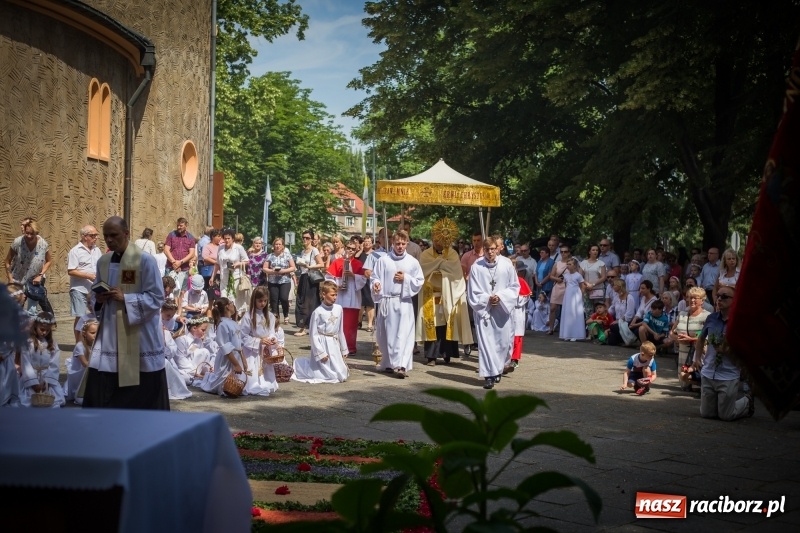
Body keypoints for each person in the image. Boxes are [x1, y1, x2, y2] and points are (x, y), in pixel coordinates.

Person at [83, 216, 168, 410]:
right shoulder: (103, 261)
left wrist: (127, 298)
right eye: (106, 236)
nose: (109, 240)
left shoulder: (145, 260)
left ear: (126, 234)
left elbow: (156, 297)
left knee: (139, 391)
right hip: (110, 334)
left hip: (138, 334)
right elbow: (94, 295)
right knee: (104, 384)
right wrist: (98, 299)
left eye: (114, 235)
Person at [416, 218, 473, 366]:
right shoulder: (426, 254)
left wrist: (439, 269)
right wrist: (441, 265)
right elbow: (423, 270)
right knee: (432, 325)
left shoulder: (452, 254)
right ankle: (431, 357)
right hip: (430, 294)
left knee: (447, 325)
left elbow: (455, 272)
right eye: (436, 239)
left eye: (442, 239)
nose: (439, 242)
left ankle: (447, 354)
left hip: (449, 294)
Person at [467, 237, 520, 389]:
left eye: (493, 249)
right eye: (487, 249)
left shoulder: (507, 264)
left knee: (502, 344)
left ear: (498, 249)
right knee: (486, 344)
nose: (490, 252)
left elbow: (514, 286)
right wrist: (487, 299)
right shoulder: (477, 266)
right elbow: (472, 291)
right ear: (483, 250)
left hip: (502, 311)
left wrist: (501, 297)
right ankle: (489, 375)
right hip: (485, 312)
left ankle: (497, 370)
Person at [371, 230, 424, 378]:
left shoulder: (412, 262)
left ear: (407, 243)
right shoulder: (383, 260)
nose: (400, 246)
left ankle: (401, 365)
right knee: (386, 335)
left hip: (403, 302)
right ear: (392, 243)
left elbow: (419, 280)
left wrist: (406, 278)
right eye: (397, 243)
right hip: (387, 301)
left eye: (402, 243)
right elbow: (375, 277)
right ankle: (388, 363)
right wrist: (376, 284)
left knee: (403, 335)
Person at [696, 286, 754, 420]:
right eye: (718, 296)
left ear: (734, 301)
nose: (719, 299)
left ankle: (746, 401)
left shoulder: (740, 322)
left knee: (726, 416)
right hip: (709, 372)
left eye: (724, 297)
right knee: (707, 414)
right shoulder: (711, 318)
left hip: (728, 374)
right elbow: (700, 339)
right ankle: (719, 404)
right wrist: (697, 358)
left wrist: (728, 350)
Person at [292, 281, 350, 383]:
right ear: (323, 294)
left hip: (334, 343)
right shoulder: (318, 312)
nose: (335, 297)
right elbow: (313, 334)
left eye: (336, 295)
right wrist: (320, 353)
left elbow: (340, 330)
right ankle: (299, 365)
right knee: (326, 375)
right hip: (323, 343)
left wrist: (344, 349)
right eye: (332, 295)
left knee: (341, 373)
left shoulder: (339, 309)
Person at [199, 298, 248, 397]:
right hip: (227, 358)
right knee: (223, 380)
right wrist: (236, 364)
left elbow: (239, 343)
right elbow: (226, 347)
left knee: (236, 379)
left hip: (236, 356)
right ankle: (217, 384)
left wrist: (243, 359)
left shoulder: (233, 322)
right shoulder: (222, 324)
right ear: (227, 306)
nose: (233, 305)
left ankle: (233, 388)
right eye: (232, 303)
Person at [326, 239, 366, 356]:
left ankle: (350, 347)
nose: (350, 251)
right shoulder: (337, 262)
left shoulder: (358, 264)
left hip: (353, 297)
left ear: (357, 250)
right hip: (339, 296)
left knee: (351, 324)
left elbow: (363, 279)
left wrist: (354, 276)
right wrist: (336, 286)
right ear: (345, 247)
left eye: (353, 249)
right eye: (349, 248)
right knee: (338, 323)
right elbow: (328, 278)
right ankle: (337, 346)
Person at [239, 287, 282, 396]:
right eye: (260, 301)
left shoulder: (270, 316)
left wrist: (272, 338)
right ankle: (254, 382)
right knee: (253, 376)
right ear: (254, 300)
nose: (262, 303)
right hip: (252, 351)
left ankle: (267, 381)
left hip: (265, 349)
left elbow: (272, 331)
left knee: (267, 372)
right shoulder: (248, 316)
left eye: (265, 301)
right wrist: (259, 341)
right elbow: (243, 336)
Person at [5, 219, 52, 314]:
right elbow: (7, 261)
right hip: (17, 279)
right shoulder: (18, 242)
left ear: (36, 233)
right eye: (27, 233)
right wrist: (10, 279)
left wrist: (41, 275)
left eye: (32, 234)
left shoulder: (43, 244)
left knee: (32, 311)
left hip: (33, 281)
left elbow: (49, 261)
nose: (29, 236)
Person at [18, 312, 65, 407]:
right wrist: (33, 383)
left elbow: (54, 365)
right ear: (35, 325)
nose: (44, 332)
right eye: (42, 329)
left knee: (55, 401)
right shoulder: (28, 343)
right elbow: (26, 363)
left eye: (47, 330)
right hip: (31, 377)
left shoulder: (53, 344)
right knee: (26, 401)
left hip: (46, 379)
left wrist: (46, 382)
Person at [67, 225, 102, 341]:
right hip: (79, 289)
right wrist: (88, 275)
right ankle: (78, 343)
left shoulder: (97, 250)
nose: (96, 238)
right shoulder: (75, 251)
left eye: (96, 235)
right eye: (93, 235)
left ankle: (92, 341)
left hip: (94, 289)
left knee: (95, 316)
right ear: (84, 237)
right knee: (81, 316)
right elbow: (71, 271)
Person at [671, 286, 711, 377]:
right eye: (690, 297)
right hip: (682, 352)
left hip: (698, 354)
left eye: (695, 298)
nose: (692, 300)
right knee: (683, 382)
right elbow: (671, 332)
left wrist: (691, 339)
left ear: (702, 301)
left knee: (694, 381)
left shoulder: (707, 316)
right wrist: (676, 338)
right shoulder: (682, 314)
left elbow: (708, 336)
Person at [211, 227, 250, 317]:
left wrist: (238, 264)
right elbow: (217, 263)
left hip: (235, 277)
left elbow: (247, 261)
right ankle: (225, 316)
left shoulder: (239, 248)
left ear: (233, 239)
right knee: (224, 298)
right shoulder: (220, 248)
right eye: (225, 238)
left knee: (234, 298)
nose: (227, 240)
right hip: (224, 277)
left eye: (229, 238)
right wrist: (212, 277)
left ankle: (235, 316)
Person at [294, 230, 325, 336]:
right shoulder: (303, 252)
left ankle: (308, 326)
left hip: (311, 278)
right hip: (303, 276)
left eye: (307, 238)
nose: (305, 240)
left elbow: (321, 264)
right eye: (303, 237)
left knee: (310, 302)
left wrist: (310, 266)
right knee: (301, 300)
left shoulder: (314, 250)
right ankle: (303, 325)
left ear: (311, 239)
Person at [64, 319, 98, 405]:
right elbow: (84, 363)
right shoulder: (80, 346)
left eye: (97, 333)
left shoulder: (96, 345)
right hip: (79, 373)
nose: (95, 335)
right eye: (92, 333)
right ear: (84, 333)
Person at [264, 237, 296, 326]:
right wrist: (272, 271)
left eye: (279, 244)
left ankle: (286, 314)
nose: (277, 246)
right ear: (274, 246)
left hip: (285, 280)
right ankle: (276, 317)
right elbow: (265, 268)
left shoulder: (287, 255)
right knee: (274, 300)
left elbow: (293, 267)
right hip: (273, 281)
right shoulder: (270, 256)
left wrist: (283, 271)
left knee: (284, 298)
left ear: (283, 246)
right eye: (276, 244)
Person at [164, 217, 197, 296]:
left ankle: (179, 308)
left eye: (181, 225)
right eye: (178, 225)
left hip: (184, 269)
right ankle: (167, 307)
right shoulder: (171, 235)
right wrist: (174, 262)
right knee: (167, 290)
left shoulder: (191, 238)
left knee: (182, 292)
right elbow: (166, 250)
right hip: (170, 267)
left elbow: (191, 253)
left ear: (186, 225)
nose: (179, 227)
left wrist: (180, 262)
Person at [510, 259, 532, 367]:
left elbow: (524, 297)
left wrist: (511, 300)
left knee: (516, 336)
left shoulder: (521, 281)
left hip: (517, 312)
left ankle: (514, 359)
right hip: (504, 313)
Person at [559, 258, 587, 341]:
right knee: (567, 313)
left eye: (570, 264)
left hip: (576, 295)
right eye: (567, 264)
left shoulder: (578, 275)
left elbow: (582, 286)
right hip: (568, 295)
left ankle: (576, 334)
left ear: (575, 266)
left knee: (575, 313)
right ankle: (567, 334)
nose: (568, 266)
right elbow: (566, 285)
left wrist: (581, 297)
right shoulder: (566, 275)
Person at [545, 245, 571, 335]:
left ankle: (565, 329)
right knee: (553, 308)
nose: (563, 254)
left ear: (569, 253)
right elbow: (551, 275)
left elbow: (576, 274)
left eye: (565, 252)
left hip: (567, 287)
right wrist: (557, 279)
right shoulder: (557, 263)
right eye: (562, 252)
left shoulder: (571, 263)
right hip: (557, 286)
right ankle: (551, 328)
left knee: (566, 309)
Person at [606, 279, 637, 346]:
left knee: (613, 327)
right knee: (611, 342)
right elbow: (612, 308)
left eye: (615, 285)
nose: (613, 286)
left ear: (619, 286)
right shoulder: (616, 297)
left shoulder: (629, 297)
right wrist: (605, 314)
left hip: (626, 321)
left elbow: (630, 313)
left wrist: (619, 320)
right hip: (617, 321)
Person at [359, 235, 377, 333]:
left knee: (370, 302)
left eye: (369, 241)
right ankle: (359, 321)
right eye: (365, 241)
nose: (367, 243)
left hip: (370, 279)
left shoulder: (375, 254)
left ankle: (370, 324)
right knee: (360, 302)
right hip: (360, 279)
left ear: (372, 243)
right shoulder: (359, 253)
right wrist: (360, 249)